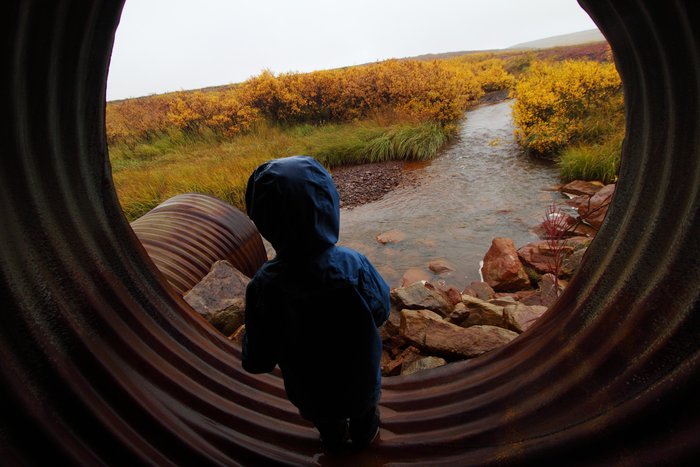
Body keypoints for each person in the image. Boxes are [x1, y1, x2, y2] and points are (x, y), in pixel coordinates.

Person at [242, 155, 391, 451]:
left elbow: (258, 358)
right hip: (361, 383)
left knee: (328, 427)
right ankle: (366, 440)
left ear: (263, 218)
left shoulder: (263, 285)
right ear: (327, 205)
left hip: (311, 394)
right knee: (365, 420)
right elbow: (381, 311)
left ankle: (334, 443)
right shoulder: (353, 264)